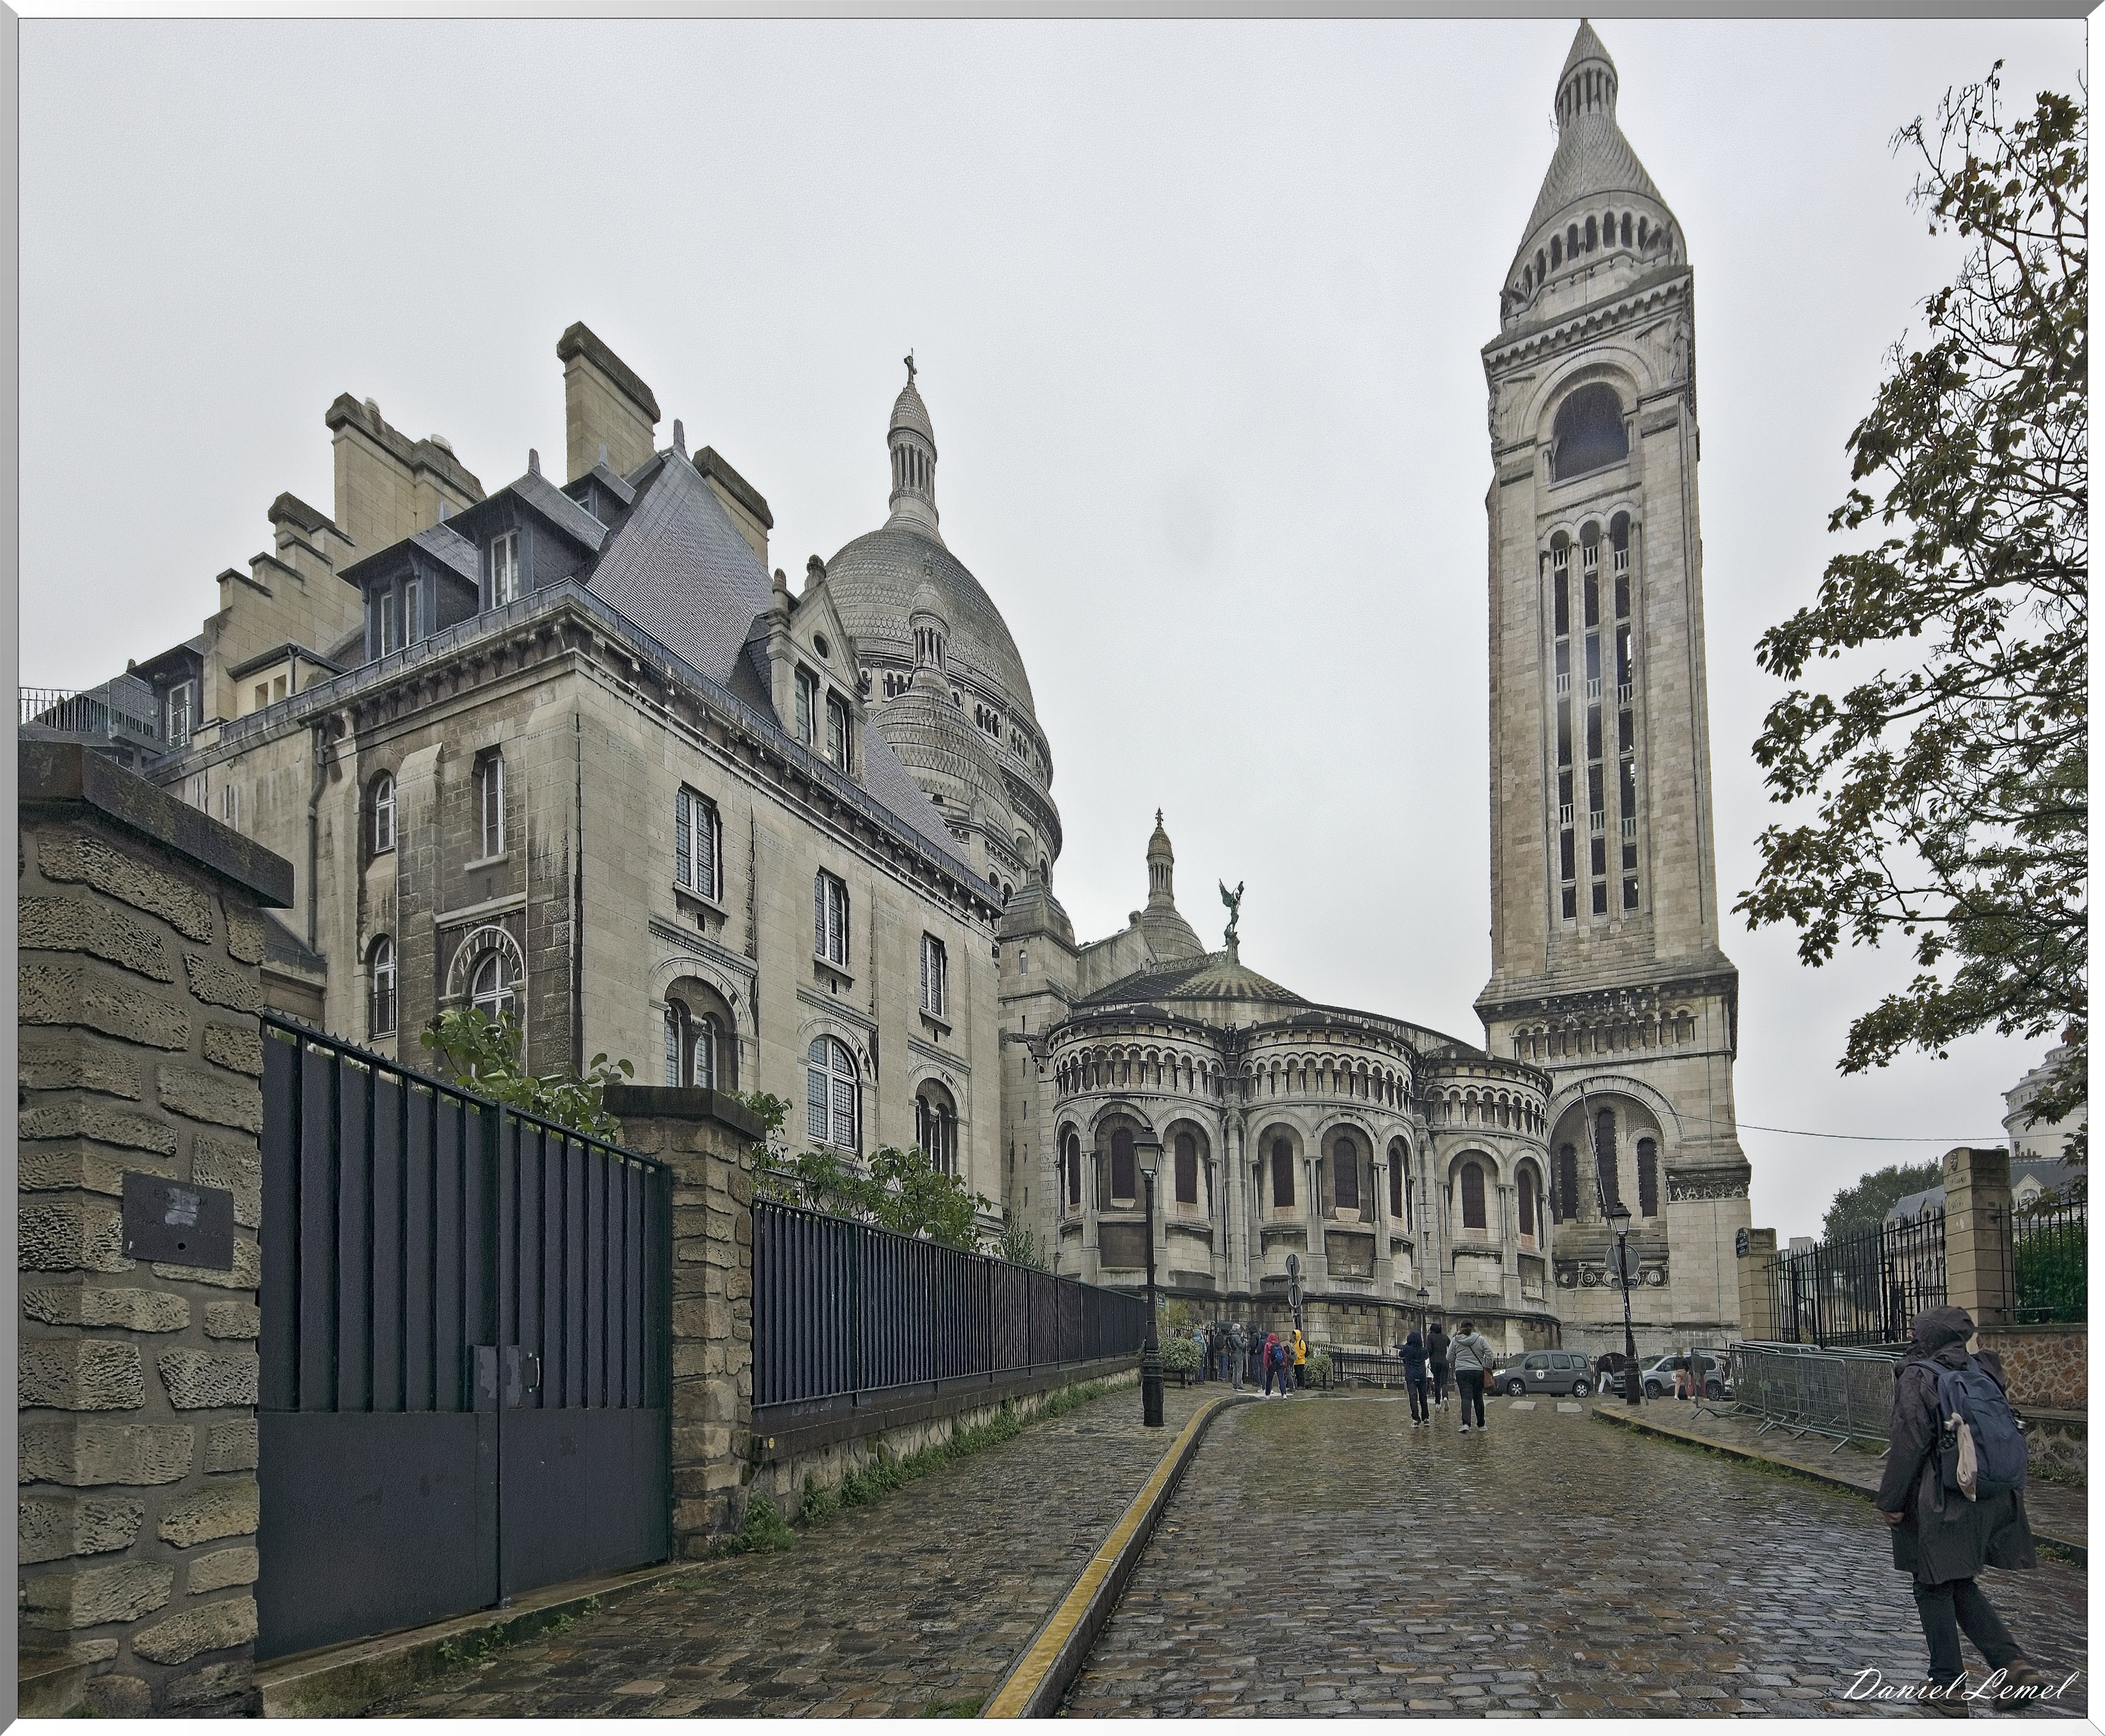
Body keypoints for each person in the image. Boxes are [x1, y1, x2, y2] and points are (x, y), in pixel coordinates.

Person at [1874, 1304, 2045, 1712]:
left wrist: (1891, 1501)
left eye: (1917, 1332)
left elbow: (1910, 1442)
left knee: (1932, 1583)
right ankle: (2012, 1666)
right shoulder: (1983, 1369)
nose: (1912, 1337)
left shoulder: (1921, 1375)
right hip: (1987, 1491)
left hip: (1943, 1495)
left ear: (1929, 1336)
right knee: (1956, 1579)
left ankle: (1947, 1686)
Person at [1449, 1320, 1495, 1433]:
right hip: (1477, 1371)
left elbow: (1449, 1356)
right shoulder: (1480, 1339)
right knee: (1478, 1397)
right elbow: (1489, 1353)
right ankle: (1481, 1424)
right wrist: (1487, 1367)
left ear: (1461, 1328)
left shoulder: (1455, 1340)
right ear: (1473, 1327)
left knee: (1465, 1397)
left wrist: (1456, 1363)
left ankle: (1466, 1424)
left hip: (1462, 1372)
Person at [1401, 1328, 1430, 1425]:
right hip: (1422, 1375)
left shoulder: (1407, 1349)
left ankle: (1416, 1419)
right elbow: (1426, 1357)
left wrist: (1407, 1345)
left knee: (1413, 1398)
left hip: (1411, 1376)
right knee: (1423, 1397)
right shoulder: (1424, 1350)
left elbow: (1401, 1354)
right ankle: (1426, 1418)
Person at [1426, 1323, 1451, 1408]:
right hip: (1444, 1361)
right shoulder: (1445, 1337)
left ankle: (1437, 1403)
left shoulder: (1430, 1337)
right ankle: (1445, 1397)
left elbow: (1429, 1350)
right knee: (1444, 1382)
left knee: (1437, 1382)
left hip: (1435, 1362)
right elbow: (1451, 1346)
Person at [1227, 1321, 1246, 1391]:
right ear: (1236, 1329)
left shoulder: (1231, 1336)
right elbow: (1241, 1346)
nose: (1240, 1331)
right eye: (1239, 1329)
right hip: (1238, 1354)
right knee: (1239, 1370)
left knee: (1235, 1370)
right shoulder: (1236, 1336)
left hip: (1233, 1354)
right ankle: (1239, 1385)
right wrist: (1244, 1342)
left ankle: (1234, 1384)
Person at [1292, 1326, 1309, 1390]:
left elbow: (1303, 1350)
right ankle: (1299, 1385)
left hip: (1301, 1361)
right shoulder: (1295, 1343)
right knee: (1297, 1374)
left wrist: (1298, 1356)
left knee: (1301, 1374)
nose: (1294, 1336)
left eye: (1295, 1334)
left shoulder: (1301, 1342)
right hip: (1296, 1362)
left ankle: (1302, 1385)